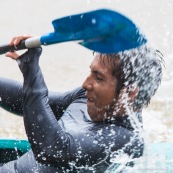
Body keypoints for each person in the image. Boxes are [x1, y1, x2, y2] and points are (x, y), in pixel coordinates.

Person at [0, 35, 164, 173]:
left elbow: (51, 149)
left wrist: (32, 71)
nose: (86, 84)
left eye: (98, 78)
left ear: (129, 92)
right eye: (91, 72)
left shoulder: (124, 139)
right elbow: (29, 102)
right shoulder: (86, 97)